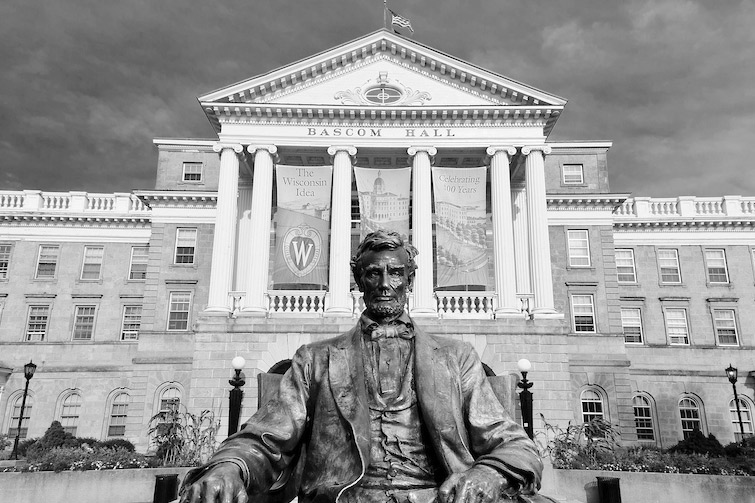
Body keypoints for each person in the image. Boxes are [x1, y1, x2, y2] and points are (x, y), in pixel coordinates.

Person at [179, 230, 545, 503]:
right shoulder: (316, 358)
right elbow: (264, 439)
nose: (385, 285)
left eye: (395, 273)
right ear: (359, 280)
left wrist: (487, 473)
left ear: (410, 280)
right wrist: (230, 467)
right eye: (373, 274)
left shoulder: (457, 357)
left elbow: (515, 444)